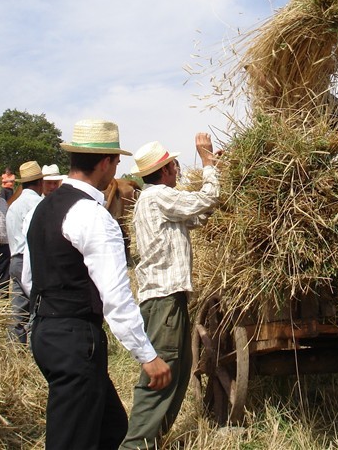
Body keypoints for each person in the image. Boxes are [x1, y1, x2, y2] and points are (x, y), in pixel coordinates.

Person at [22, 119, 171, 450]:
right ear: (105, 163)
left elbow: (27, 277)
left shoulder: (43, 208)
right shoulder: (93, 216)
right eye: (116, 161)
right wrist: (147, 355)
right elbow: (116, 298)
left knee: (111, 430)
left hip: (45, 332)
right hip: (76, 339)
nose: (117, 168)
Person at [120, 133, 220, 450]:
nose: (178, 170)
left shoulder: (159, 200)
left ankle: (152, 441)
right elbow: (206, 199)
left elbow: (199, 213)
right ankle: (135, 445)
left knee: (175, 375)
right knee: (161, 376)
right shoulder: (157, 196)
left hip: (167, 299)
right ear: (164, 171)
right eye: (174, 165)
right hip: (163, 301)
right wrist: (208, 163)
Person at [5, 161, 44, 344]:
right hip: (31, 260)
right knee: (39, 305)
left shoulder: (13, 205)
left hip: (14, 259)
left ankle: (15, 345)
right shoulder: (38, 203)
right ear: (40, 182)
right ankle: (36, 346)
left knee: (18, 307)